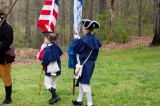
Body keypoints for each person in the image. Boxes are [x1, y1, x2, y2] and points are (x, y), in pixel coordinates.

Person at [71, 19, 102, 106]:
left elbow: (75, 48)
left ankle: (90, 103)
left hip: (84, 64)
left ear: (87, 29)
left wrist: (75, 39)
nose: (83, 30)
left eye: (84, 29)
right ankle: (79, 100)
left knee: (85, 83)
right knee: (81, 82)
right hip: (90, 63)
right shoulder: (94, 39)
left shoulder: (84, 39)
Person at [37, 32, 63, 105]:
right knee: (53, 83)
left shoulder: (48, 49)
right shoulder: (56, 46)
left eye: (45, 38)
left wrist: (43, 64)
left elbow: (45, 60)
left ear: (49, 40)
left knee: (47, 83)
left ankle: (55, 96)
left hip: (51, 68)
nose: (44, 39)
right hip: (57, 67)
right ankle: (53, 98)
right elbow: (60, 53)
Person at [0, 9, 14, 105]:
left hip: (3, 57)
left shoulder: (7, 28)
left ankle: (8, 98)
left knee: (6, 77)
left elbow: (6, 43)